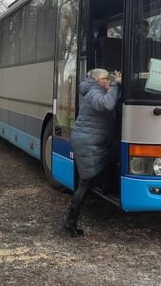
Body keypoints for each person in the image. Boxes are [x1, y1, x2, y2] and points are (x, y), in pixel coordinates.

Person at [64, 68, 122, 237]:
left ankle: (106, 186)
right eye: (106, 78)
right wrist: (116, 85)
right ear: (98, 80)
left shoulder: (97, 90)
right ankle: (70, 221)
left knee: (116, 151)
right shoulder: (93, 93)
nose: (108, 80)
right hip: (87, 143)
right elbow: (106, 104)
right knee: (86, 183)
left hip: (92, 142)